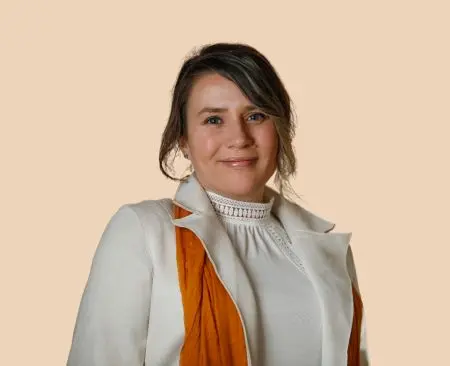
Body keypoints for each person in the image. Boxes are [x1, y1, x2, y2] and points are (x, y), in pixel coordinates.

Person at [67, 42, 369, 366]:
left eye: (255, 115)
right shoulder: (143, 233)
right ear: (183, 139)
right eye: (213, 120)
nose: (239, 138)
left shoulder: (327, 249)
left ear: (280, 129)